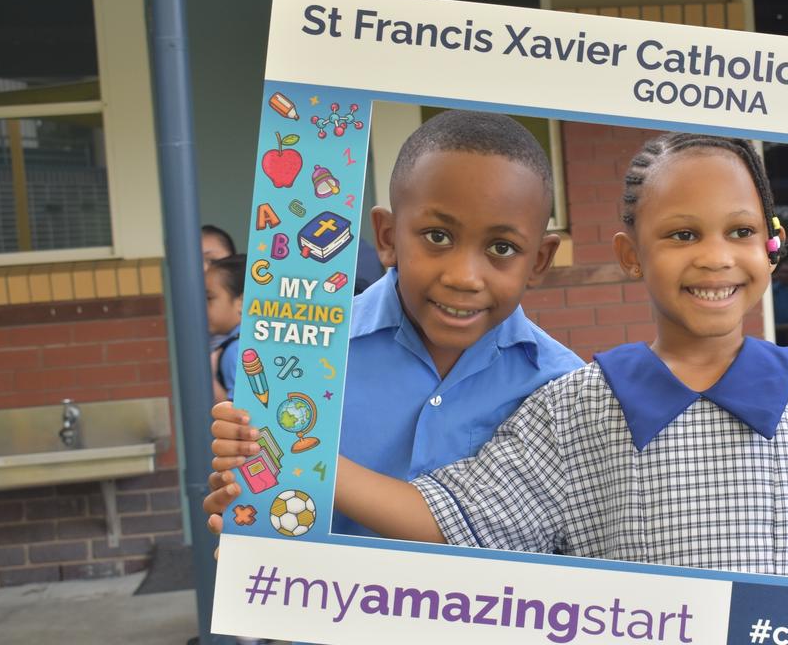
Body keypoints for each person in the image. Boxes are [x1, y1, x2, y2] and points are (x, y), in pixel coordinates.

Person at [206, 133, 788, 584]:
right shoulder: (573, 404)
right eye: (681, 234)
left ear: (773, 251)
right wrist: (291, 456)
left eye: (738, 232)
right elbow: (453, 519)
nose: (714, 256)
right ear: (633, 255)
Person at [204, 110, 583, 540]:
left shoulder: (562, 388)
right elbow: (270, 507)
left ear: (539, 261)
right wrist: (245, 516)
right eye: (438, 236)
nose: (464, 277)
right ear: (387, 237)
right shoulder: (301, 359)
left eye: (502, 247)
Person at [205, 254, 245, 404]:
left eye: (209, 298)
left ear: (242, 302)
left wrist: (210, 380)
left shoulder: (236, 350)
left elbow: (241, 415)